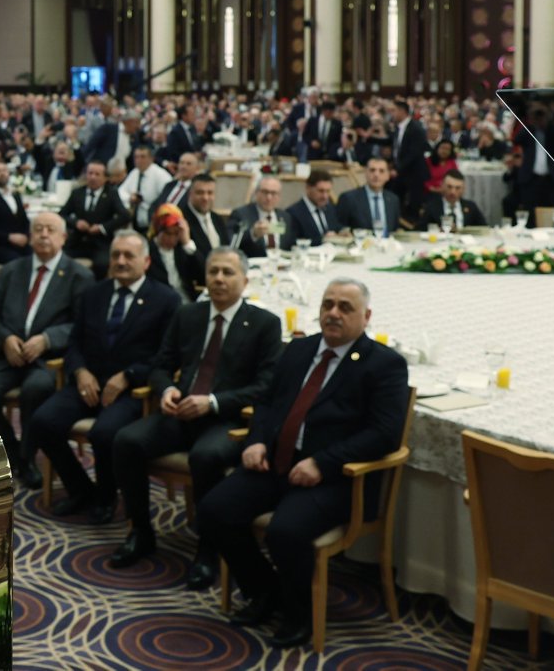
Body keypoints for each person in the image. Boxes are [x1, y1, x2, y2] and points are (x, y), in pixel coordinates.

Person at [197, 277, 409, 649]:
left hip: (336, 478)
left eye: (345, 308)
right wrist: (258, 440)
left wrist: (322, 463)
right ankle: (265, 591)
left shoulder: (383, 365)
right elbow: (267, 402)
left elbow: (383, 435)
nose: (333, 314)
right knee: (214, 510)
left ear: (366, 316)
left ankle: (300, 615)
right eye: (328, 305)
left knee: (285, 532)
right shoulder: (298, 350)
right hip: (278, 462)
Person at [109, 247, 282, 582]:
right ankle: (141, 532)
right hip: (180, 411)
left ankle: (208, 548)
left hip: (227, 419)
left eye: (227, 273)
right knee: (126, 441)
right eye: (213, 271)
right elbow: (162, 365)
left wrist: (214, 402)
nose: (218, 279)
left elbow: (266, 386)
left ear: (245, 280)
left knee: (206, 456)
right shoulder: (188, 314)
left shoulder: (264, 324)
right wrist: (166, 390)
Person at [30, 230, 179, 524]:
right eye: (115, 255)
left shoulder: (165, 300)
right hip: (88, 382)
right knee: (41, 423)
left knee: (104, 433)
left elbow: (167, 358)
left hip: (132, 390)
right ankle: (81, 489)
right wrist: (80, 371)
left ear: (146, 261)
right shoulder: (93, 293)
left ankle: (107, 497)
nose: (120, 261)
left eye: (129, 256)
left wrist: (129, 376)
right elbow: (74, 343)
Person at [0, 212, 94, 487]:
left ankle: (27, 457)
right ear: (30, 236)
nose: (44, 235)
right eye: (38, 229)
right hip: (6, 355)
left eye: (50, 230)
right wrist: (5, 339)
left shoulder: (79, 276)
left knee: (36, 391)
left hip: (47, 360)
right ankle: (12, 452)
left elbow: (83, 326)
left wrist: (48, 339)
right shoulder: (13, 269)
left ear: (63, 237)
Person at [60, 162, 127, 278]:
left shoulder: (111, 194)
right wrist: (76, 223)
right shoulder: (77, 193)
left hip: (100, 243)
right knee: (59, 257)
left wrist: (102, 228)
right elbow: (62, 215)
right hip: (77, 241)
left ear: (105, 178)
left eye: (97, 174)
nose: (92, 177)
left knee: (102, 265)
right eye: (90, 173)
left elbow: (125, 216)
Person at [333, 156, 401, 237]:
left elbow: (396, 229)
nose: (376, 174)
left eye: (381, 171)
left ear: (388, 176)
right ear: (365, 173)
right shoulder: (348, 198)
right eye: (372, 170)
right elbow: (338, 226)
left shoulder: (393, 199)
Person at [145, 202, 203, 295]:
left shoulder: (183, 249)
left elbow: (203, 276)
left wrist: (187, 243)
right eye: (168, 233)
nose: (171, 239)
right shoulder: (147, 250)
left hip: (185, 299)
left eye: (176, 234)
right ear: (158, 230)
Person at [117, 143, 172, 230]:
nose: (139, 160)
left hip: (152, 222)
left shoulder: (161, 175)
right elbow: (120, 192)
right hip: (134, 222)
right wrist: (130, 197)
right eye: (136, 157)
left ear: (151, 158)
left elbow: (168, 198)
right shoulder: (134, 172)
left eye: (142, 157)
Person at [280, 169, 339, 248]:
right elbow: (291, 243)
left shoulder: (330, 208)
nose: (325, 196)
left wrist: (342, 232)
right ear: (308, 188)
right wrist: (323, 239)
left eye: (328, 191)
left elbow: (335, 228)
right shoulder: (293, 213)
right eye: (321, 191)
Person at [228, 175, 283, 259]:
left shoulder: (286, 217)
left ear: (279, 196)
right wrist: (253, 234)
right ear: (256, 193)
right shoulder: (241, 214)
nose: (269, 197)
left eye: (273, 193)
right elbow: (231, 244)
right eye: (265, 192)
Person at [420, 168, 487, 229]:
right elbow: (419, 231)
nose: (453, 192)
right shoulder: (431, 207)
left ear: (463, 189)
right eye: (449, 187)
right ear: (442, 186)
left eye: (457, 188)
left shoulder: (471, 207)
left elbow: (485, 229)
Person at [180, 174, 229, 253]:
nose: (205, 198)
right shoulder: (181, 220)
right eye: (200, 193)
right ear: (190, 194)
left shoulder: (217, 218)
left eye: (210, 193)